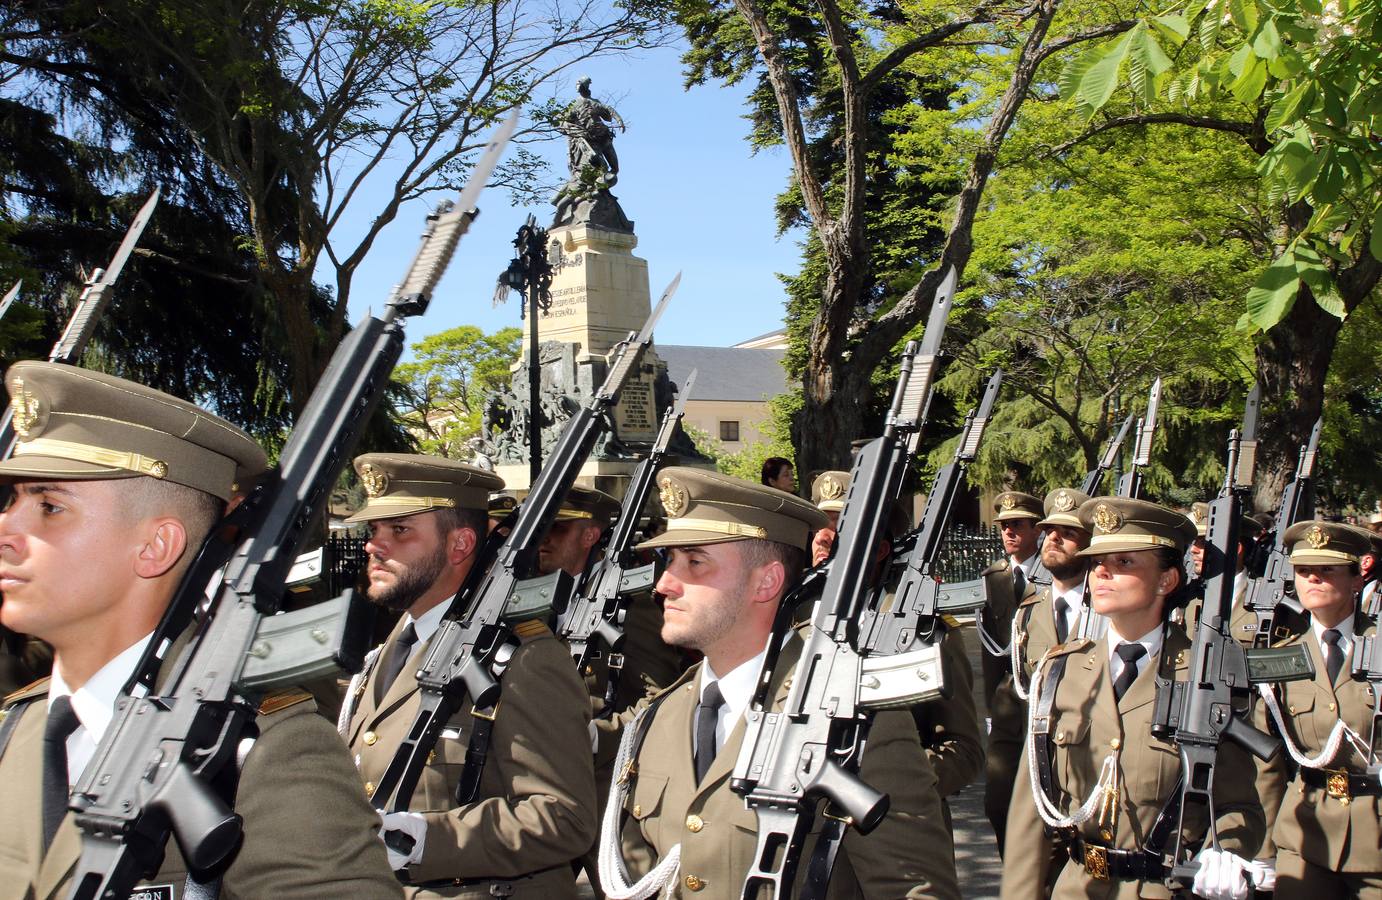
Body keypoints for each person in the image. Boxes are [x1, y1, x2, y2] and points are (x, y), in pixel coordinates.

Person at [0, 360, 400, 898]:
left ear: (156, 546)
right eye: (12, 501)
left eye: (49, 506)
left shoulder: (259, 750)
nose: (6, 531)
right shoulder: (13, 728)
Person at [599, 467, 960, 898]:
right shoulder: (660, 718)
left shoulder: (850, 717)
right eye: (670, 561)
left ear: (765, 581)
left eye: (694, 561)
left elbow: (915, 889)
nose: (664, 585)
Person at [338, 453, 597, 898]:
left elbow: (565, 817)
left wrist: (425, 841)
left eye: (400, 530)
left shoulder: (521, 658)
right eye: (374, 530)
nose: (374, 546)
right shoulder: (389, 650)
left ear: (459, 544)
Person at [1002, 497, 1265, 899]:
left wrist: (1225, 851)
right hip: (1077, 886)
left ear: (1166, 581)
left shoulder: (1202, 677)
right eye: (1096, 562)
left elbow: (1238, 806)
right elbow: (1029, 816)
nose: (1102, 572)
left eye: (1124, 562)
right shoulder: (1061, 671)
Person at [809, 470, 982, 826]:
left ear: (880, 550)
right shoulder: (790, 619)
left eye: (839, 533)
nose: (823, 541)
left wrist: (893, 778)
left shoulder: (920, 629)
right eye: (819, 532)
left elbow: (964, 751)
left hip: (898, 825)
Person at [539, 484, 688, 896]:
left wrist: (597, 737)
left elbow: (660, 697)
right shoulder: (528, 598)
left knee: (629, 888)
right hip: (538, 785)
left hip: (603, 787)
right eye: (542, 528)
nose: (543, 538)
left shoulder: (628, 605)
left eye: (559, 528)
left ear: (590, 535)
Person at [1253, 521, 1381, 898]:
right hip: (1305, 834)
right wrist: (1262, 849)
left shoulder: (1378, 645)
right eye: (1305, 571)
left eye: (1327, 570)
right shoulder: (1279, 659)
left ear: (1357, 579)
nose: (1313, 579)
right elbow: (1267, 762)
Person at [981, 489, 1046, 853]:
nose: (1008, 532)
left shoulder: (1054, 575)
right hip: (1007, 702)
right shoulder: (995, 577)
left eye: (1017, 524)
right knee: (999, 803)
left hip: (1042, 697)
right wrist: (992, 708)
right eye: (1004, 525)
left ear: (1037, 529)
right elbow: (991, 650)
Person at [1184, 502, 1265, 644]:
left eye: (1203, 543)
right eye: (1194, 542)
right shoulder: (1191, 597)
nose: (1193, 550)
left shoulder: (1264, 600)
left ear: (1236, 548)